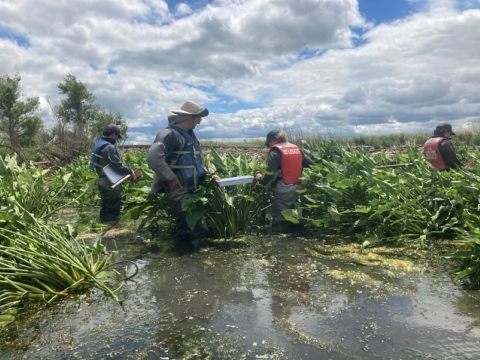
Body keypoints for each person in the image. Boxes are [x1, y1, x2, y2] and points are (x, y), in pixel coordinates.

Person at [148, 101, 220, 253]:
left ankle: (182, 256)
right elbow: (154, 158)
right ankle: (197, 263)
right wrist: (171, 178)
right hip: (179, 188)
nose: (200, 121)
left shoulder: (191, 135)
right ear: (189, 118)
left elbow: (196, 161)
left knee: (186, 228)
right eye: (198, 117)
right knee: (197, 228)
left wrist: (210, 175)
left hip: (192, 188)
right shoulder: (168, 135)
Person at [255, 130, 313, 234]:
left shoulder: (275, 152)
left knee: (279, 222)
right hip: (299, 187)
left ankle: (279, 246)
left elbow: (269, 176)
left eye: (269, 144)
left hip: (284, 188)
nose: (269, 147)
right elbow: (312, 165)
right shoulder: (296, 148)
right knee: (295, 219)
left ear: (273, 141)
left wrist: (260, 178)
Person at [90, 124, 137, 224]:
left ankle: (104, 232)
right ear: (114, 134)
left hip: (102, 181)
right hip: (110, 182)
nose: (117, 139)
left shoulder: (100, 144)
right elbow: (117, 166)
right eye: (118, 136)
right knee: (113, 210)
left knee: (105, 207)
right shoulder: (109, 147)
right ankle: (112, 232)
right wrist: (130, 171)